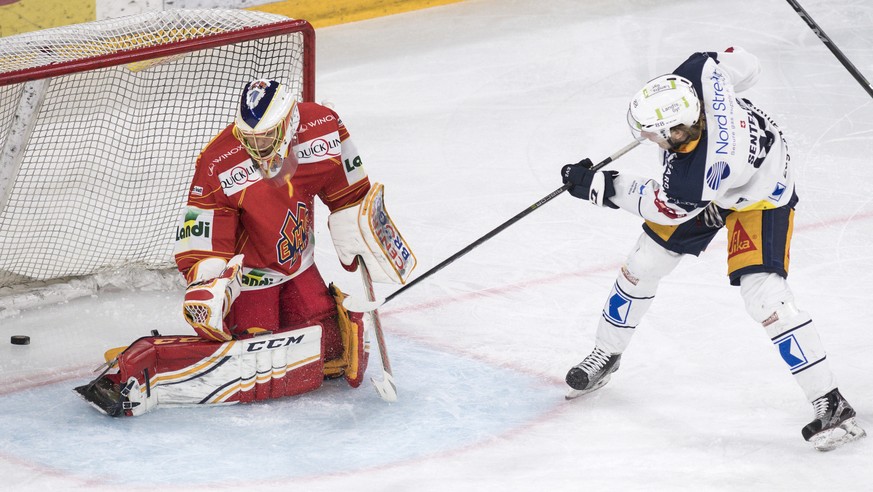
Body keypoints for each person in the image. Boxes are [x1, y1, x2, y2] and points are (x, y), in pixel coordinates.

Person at [560, 48, 866, 451]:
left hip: (760, 196)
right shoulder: (699, 74)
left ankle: (832, 403)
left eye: (656, 134)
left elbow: (664, 207)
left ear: (682, 129)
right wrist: (722, 88)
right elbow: (749, 64)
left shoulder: (697, 175)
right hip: (732, 174)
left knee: (765, 298)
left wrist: (601, 186)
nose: (650, 140)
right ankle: (606, 354)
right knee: (643, 263)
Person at [75, 79, 415, 416]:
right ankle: (148, 365)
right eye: (249, 138)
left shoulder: (323, 127)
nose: (257, 147)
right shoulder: (218, 161)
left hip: (299, 264)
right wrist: (210, 284)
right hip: (250, 278)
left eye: (265, 136)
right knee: (254, 351)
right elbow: (206, 241)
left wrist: (358, 224)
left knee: (333, 351)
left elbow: (351, 195)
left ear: (289, 123)